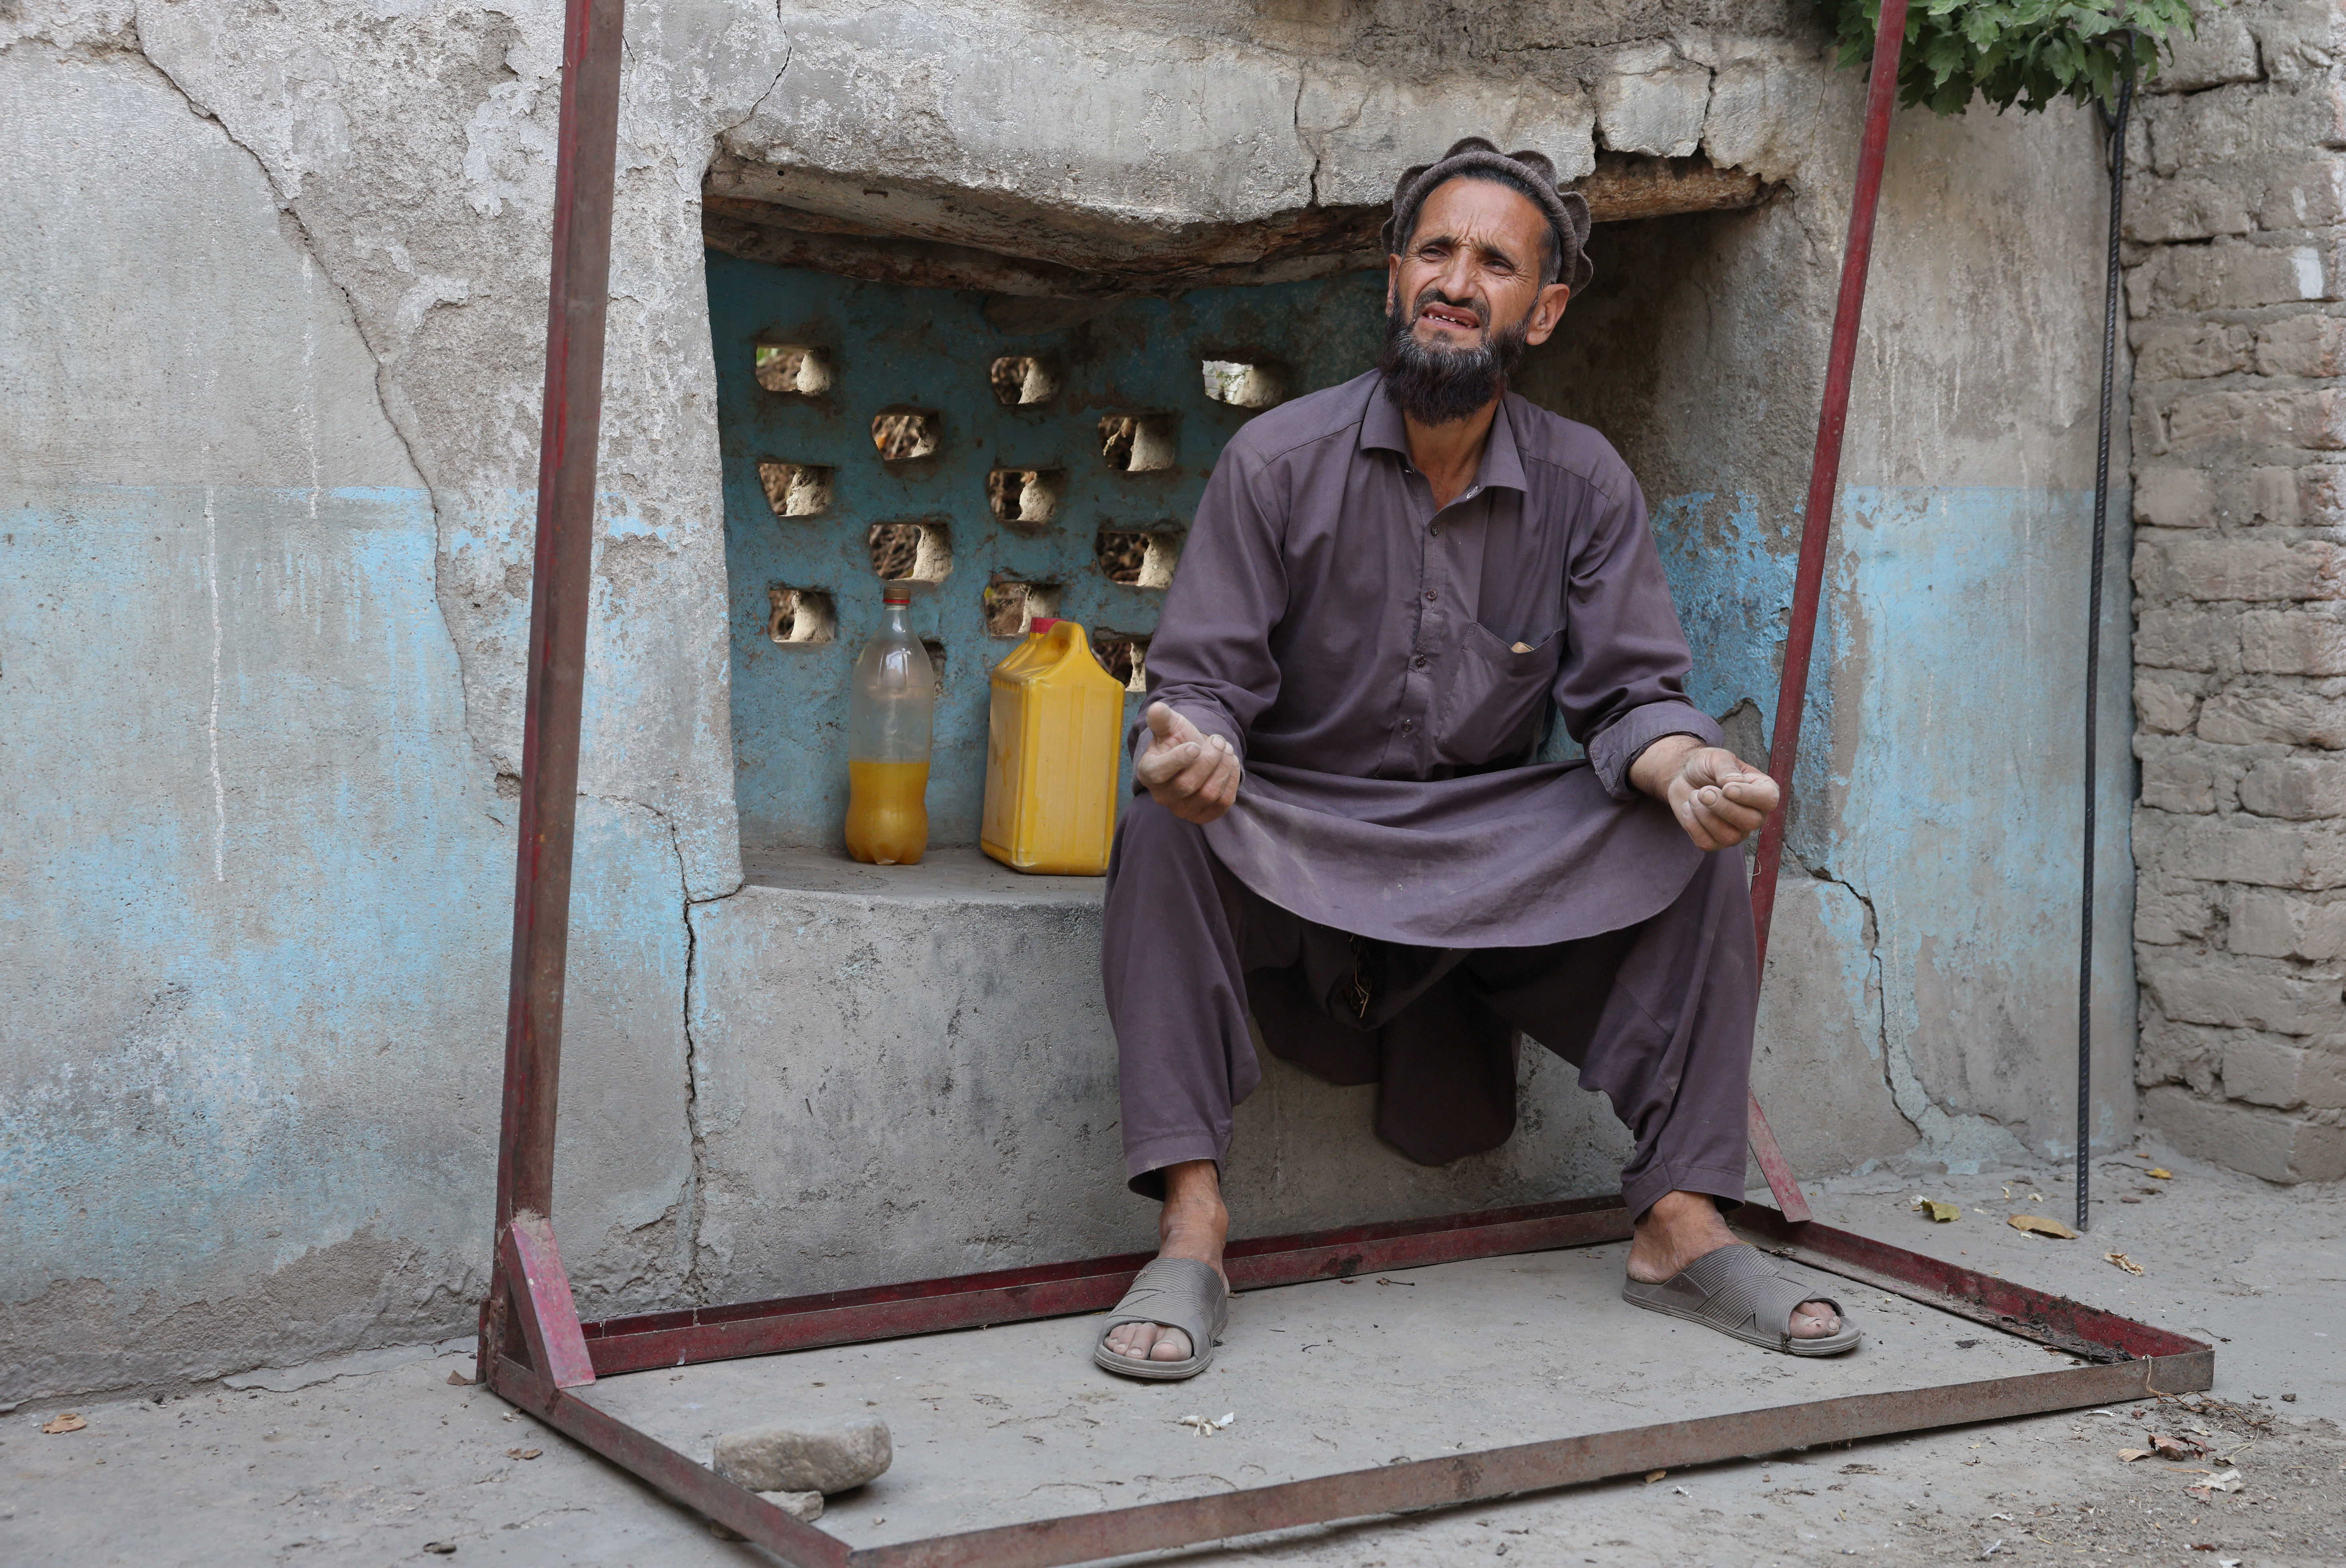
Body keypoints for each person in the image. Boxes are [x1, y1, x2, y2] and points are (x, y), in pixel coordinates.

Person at [1091, 138, 1858, 1381]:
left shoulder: (1586, 483)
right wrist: (1200, 749)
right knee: (1164, 824)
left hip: (1493, 855)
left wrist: (1683, 768)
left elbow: (1631, 696)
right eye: (1436, 252)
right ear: (1395, 280)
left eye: (1495, 263)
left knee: (1698, 837)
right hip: (1302, 839)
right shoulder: (1275, 462)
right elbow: (1206, 686)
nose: (1459, 280)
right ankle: (1193, 1222)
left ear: (1543, 310)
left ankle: (1679, 1218)